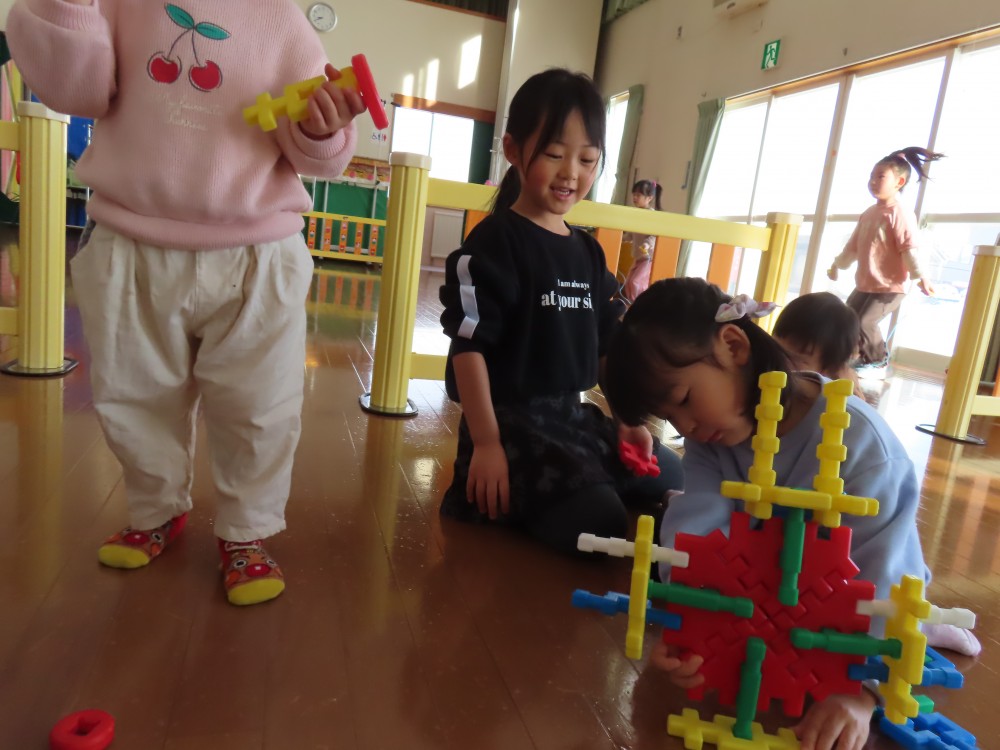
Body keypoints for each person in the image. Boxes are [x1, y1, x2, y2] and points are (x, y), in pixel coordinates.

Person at [8, 0, 363, 606]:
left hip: (255, 252)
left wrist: (323, 127)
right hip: (131, 238)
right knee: (133, 396)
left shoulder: (282, 18)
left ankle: (246, 530)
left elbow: (317, 154)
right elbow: (74, 90)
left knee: (260, 407)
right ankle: (156, 510)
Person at [604, 278, 979, 750]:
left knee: (901, 612)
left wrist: (863, 689)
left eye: (683, 400)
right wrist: (692, 624)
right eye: (671, 419)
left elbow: (885, 574)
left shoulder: (861, 444)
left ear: (733, 345)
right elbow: (694, 538)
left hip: (846, 600)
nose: (687, 427)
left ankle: (928, 633)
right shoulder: (710, 442)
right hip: (768, 607)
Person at [437, 69, 683, 555]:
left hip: (572, 417)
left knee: (674, 474)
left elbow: (607, 343)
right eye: (554, 154)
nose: (571, 172)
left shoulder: (587, 252)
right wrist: (486, 444)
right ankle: (537, 498)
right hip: (509, 425)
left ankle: (580, 489)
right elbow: (468, 347)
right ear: (513, 149)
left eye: (587, 159)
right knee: (602, 525)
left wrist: (628, 420)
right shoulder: (494, 243)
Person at [827, 147, 941, 369]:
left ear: (899, 182)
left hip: (890, 286)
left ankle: (877, 360)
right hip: (865, 283)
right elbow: (852, 246)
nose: (872, 181)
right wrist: (836, 265)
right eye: (871, 176)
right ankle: (854, 357)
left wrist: (921, 278)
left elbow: (909, 248)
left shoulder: (900, 213)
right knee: (847, 319)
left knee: (865, 321)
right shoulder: (869, 213)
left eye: (880, 176)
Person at [773, 292, 864, 399]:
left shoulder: (834, 399)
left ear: (830, 370)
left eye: (794, 359)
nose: (776, 363)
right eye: (773, 349)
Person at [621, 179, 662, 302]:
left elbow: (654, 234)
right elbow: (631, 234)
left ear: (649, 198)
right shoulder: (637, 213)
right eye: (634, 194)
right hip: (639, 257)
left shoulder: (651, 215)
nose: (635, 197)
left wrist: (647, 244)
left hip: (649, 257)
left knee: (636, 282)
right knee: (628, 282)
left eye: (638, 195)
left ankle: (640, 305)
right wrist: (621, 238)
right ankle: (632, 305)